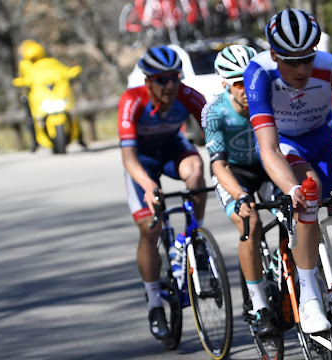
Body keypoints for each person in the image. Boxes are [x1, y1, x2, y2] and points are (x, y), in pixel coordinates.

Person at [242, 8, 332, 336]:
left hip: (325, 136)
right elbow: (268, 148)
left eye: (307, 58)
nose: (302, 69)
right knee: (309, 187)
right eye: (292, 61)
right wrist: (291, 189)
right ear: (274, 54)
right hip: (287, 144)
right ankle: (310, 296)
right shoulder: (259, 72)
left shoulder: (331, 68)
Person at [117, 45, 208, 341]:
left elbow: (213, 133)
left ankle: (194, 238)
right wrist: (147, 186)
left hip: (171, 148)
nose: (170, 85)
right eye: (161, 79)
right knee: (149, 228)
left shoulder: (188, 94)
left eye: (175, 77)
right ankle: (154, 300)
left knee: (196, 171)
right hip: (142, 161)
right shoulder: (132, 101)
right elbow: (128, 158)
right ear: (148, 81)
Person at [203, 44, 278, 337]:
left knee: (293, 212)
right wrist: (239, 195)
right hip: (234, 173)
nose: (247, 89)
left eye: (249, 80)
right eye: (238, 83)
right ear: (224, 84)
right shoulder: (215, 112)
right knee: (251, 223)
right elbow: (218, 166)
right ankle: (258, 306)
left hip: (267, 166)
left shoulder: (270, 96)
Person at [16, 40, 45, 152]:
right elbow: (21, 77)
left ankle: (79, 137)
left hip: (43, 92)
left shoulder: (44, 63)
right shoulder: (24, 64)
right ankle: (35, 141)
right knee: (30, 118)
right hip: (30, 93)